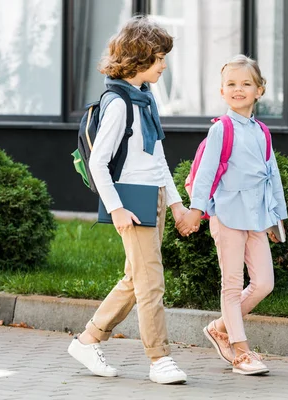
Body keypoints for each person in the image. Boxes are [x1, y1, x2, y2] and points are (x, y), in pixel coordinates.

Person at [67, 15, 188, 385]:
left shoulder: (146, 99)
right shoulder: (118, 103)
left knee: (136, 279)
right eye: (159, 58)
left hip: (153, 196)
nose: (165, 64)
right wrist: (117, 209)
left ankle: (88, 339)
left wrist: (175, 202)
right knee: (152, 283)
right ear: (139, 59)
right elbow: (100, 162)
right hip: (131, 201)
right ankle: (159, 358)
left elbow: (158, 157)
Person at [176, 54, 288, 375]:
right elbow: (206, 175)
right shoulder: (221, 130)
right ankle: (241, 352)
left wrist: (274, 218)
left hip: (256, 216)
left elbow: (272, 176)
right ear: (222, 91)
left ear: (259, 90)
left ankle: (219, 327)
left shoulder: (261, 131)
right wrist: (196, 211)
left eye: (246, 84)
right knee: (232, 283)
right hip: (227, 215)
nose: (238, 89)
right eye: (231, 84)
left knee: (264, 283)